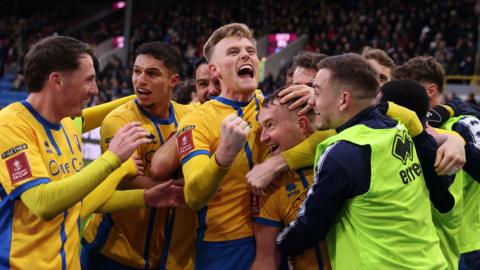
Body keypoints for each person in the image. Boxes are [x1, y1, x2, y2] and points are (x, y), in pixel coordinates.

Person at [0, 36, 180, 270]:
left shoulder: (68, 125)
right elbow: (43, 203)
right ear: (57, 81)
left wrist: (144, 198)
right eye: (89, 80)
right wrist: (113, 161)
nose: (95, 90)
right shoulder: (10, 126)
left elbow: (80, 205)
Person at [276, 53, 447, 269]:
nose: (311, 100)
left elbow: (310, 225)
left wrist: (279, 242)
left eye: (316, 92)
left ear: (344, 99)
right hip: (431, 262)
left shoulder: (343, 151)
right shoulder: (397, 130)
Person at [82, 41, 196, 270]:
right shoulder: (119, 120)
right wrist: (189, 187)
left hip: (160, 256)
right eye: (137, 71)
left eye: (152, 73)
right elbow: (127, 180)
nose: (140, 80)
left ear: (173, 81)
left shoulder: (190, 116)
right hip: (112, 251)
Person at [176, 23, 268, 269]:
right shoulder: (197, 121)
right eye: (233, 51)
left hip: (277, 235)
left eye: (250, 50)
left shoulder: (271, 106)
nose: (246, 55)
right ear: (214, 70)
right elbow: (193, 196)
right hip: (225, 246)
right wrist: (223, 156)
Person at [393, 56, 480, 270]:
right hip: (428, 246)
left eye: (412, 88)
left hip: (467, 246)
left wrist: (456, 140)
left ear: (430, 91)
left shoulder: (464, 123)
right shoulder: (405, 129)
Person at [251, 89, 331, 270]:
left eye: (270, 125)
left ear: (302, 124)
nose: (262, 137)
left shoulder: (343, 153)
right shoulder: (271, 186)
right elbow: (265, 260)